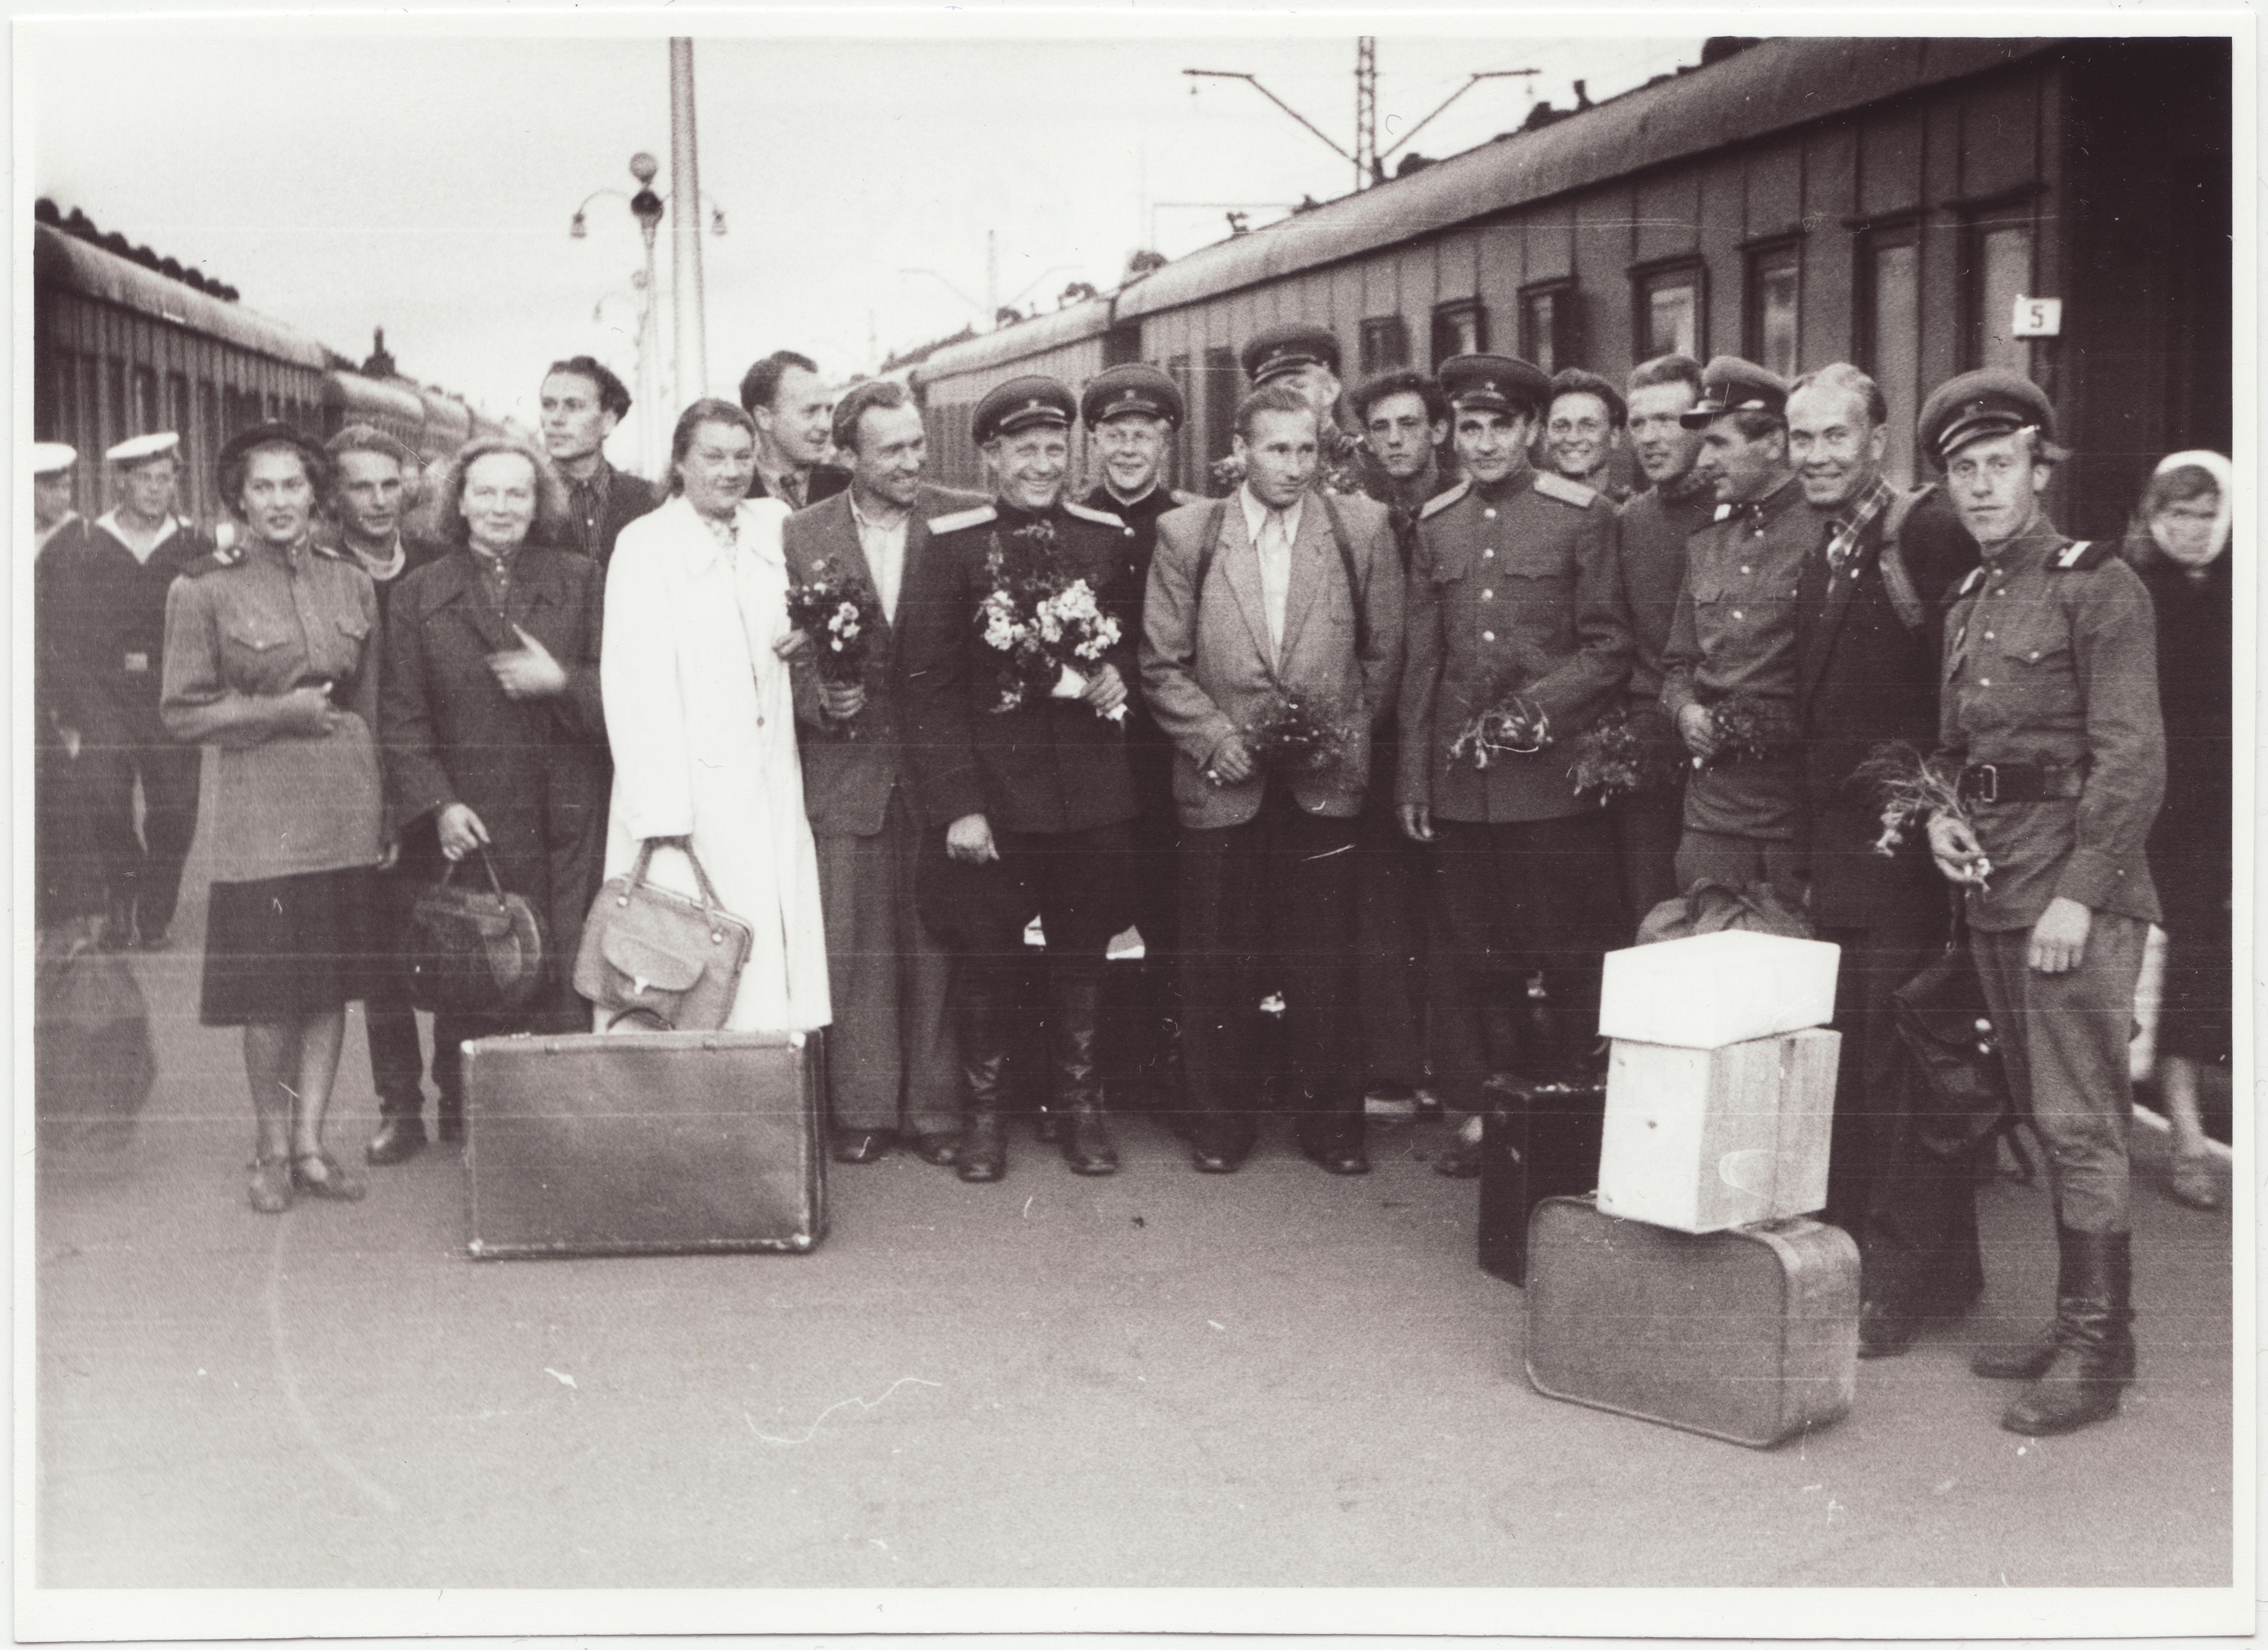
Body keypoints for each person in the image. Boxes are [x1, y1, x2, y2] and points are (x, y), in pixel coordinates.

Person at [1920, 369, 2164, 1437]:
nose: (1978, 486)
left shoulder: (2096, 584)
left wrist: (2078, 894)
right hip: (1991, 887)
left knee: (2078, 1125)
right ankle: (2082, 1319)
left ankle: (2094, 1350)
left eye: (1995, 464)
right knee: (2039, 1110)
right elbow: (1954, 750)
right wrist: (1937, 814)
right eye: (1959, 470)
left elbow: (2131, 762)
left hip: (2069, 892)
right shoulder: (1966, 599)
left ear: (2035, 468)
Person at [1142, 383, 1405, 1174]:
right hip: (1224, 780)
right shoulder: (1189, 532)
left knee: (1323, 953)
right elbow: (1161, 661)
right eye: (1277, 449)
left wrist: (1335, 736)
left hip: (1322, 779)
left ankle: (1331, 1124)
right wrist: (1214, 737)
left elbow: (1384, 654)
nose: (1295, 466)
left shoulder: (1361, 528)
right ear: (1240, 451)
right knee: (1218, 957)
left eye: (1307, 449)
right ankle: (1220, 1123)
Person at [1782, 363, 1982, 1354]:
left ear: (1875, 441)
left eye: (1835, 436)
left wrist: (1934, 801)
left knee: (1902, 1069)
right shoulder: (1832, 543)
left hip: (1906, 844)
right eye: (1802, 437)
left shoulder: (1924, 531)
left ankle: (1899, 1278)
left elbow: (1965, 677)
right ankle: (1941, 1264)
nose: (1816, 455)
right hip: (1851, 841)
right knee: (1872, 1060)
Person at [1398, 354, 1632, 1178]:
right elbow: (1423, 662)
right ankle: (1490, 1122)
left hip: (1551, 786)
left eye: (1502, 425)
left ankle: (1572, 1124)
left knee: (1568, 958)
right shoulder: (1437, 522)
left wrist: (1536, 712)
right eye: (1471, 426)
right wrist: (1415, 779)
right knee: (1477, 961)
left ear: (1531, 431)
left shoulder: (1583, 515)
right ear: (1453, 433)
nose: (1486, 441)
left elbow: (1609, 648)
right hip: (1464, 793)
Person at [901, 374, 1140, 1181]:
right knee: (987, 957)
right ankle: (985, 1119)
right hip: (995, 803)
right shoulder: (955, 544)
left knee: (1083, 956)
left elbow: (1138, 644)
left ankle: (1079, 1108)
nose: (1042, 465)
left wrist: (1114, 675)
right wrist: (959, 808)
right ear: (992, 456)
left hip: (1088, 795)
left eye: (1053, 448)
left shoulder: (1107, 536)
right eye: (1024, 449)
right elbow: (926, 687)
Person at [160, 423, 386, 1212]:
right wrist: (278, 711)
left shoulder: (349, 580)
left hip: (345, 812)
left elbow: (373, 702)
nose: (281, 501)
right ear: (239, 498)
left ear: (315, 493)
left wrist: (386, 809)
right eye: (264, 487)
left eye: (294, 485)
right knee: (270, 996)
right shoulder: (202, 590)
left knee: (328, 990)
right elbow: (182, 714)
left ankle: (312, 1146)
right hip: (263, 821)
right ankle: (269, 1150)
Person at [378, 435, 610, 1160]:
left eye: (518, 492)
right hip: (472, 816)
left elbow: (626, 690)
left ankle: (558, 1126)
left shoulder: (582, 578)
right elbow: (401, 714)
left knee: (562, 963)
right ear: (459, 501)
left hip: (569, 813)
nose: (501, 506)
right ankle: (468, 1112)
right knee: (477, 959)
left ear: (539, 502)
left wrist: (563, 683)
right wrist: (437, 804)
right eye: (486, 492)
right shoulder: (420, 592)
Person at [782, 379, 984, 1166]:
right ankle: (863, 1109)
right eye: (892, 449)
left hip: (942, 773)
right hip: (850, 768)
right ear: (847, 455)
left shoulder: (963, 516)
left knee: (938, 938)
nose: (913, 461)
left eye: (917, 444)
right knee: (857, 944)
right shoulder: (802, 533)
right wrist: (821, 698)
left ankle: (936, 1111)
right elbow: (779, 653)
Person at [600, 399, 831, 1035]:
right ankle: (692, 1118)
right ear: (679, 462)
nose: (730, 471)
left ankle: (771, 1104)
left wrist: (809, 635)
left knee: (767, 955)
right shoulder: (645, 544)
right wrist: (661, 814)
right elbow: (632, 684)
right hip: (689, 798)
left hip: (770, 777)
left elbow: (804, 619)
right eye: (712, 456)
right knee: (686, 961)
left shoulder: (774, 524)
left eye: (742, 455)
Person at [326, 425, 452, 1163]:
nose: (378, 501)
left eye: (388, 484)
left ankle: (464, 1098)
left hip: (445, 782)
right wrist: (376, 805)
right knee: (382, 957)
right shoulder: (322, 574)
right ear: (334, 496)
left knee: (464, 936)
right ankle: (400, 1106)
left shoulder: (437, 563)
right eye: (360, 487)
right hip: (366, 792)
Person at [1077, 363, 1201, 1118]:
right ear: (1094, 439)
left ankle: (1174, 1076)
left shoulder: (1193, 523)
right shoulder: (1066, 522)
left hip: (1167, 754)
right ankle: (1092, 1079)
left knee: (1173, 916)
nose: (1128, 449)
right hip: (1090, 755)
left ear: (1167, 442)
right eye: (1114, 434)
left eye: (1143, 434)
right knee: (1087, 915)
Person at [2125, 449, 2234, 1210]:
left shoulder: (2237, 592)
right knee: (2137, 966)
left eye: (2205, 514)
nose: (2193, 531)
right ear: (2151, 517)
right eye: (2177, 514)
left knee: (2191, 970)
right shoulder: (2133, 591)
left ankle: (2186, 1128)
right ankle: (2178, 1136)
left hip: (2213, 819)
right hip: (2145, 812)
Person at [1346, 367, 1456, 1115]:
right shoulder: (1353, 515)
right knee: (1381, 903)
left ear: (1436, 432)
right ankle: (1392, 1063)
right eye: (1380, 428)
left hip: (1448, 733)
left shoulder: (1457, 508)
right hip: (1376, 731)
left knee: (1448, 906)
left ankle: (1446, 1067)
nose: (1393, 441)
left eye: (1407, 426)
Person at [1659, 357, 1808, 906]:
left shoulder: (1823, 535)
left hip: (1793, 812)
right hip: (1711, 813)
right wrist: (1684, 712)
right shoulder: (1707, 543)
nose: (1705, 460)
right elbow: (1677, 664)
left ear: (1772, 443)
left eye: (1719, 444)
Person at [61, 431, 208, 951]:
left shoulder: (194, 544)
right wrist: (72, 707)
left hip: (171, 693)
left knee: (174, 808)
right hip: (105, 694)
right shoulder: (87, 545)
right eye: (144, 479)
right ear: (122, 483)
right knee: (103, 799)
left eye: (164, 478)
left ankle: (156, 912)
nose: (155, 489)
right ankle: (122, 903)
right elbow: (65, 628)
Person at [1607, 353, 1714, 927]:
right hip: (1651, 752)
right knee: (1650, 915)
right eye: (1637, 423)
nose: (1649, 437)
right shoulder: (1631, 521)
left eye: (1667, 420)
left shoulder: (1734, 509)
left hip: (1730, 750)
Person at [32, 442, 102, 932]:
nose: (61, 495)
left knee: (59, 805)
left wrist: (73, 716)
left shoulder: (77, 539)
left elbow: (79, 635)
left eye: (64, 485)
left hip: (54, 698)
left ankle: (65, 921)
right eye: (48, 486)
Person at [1214, 322, 1368, 497]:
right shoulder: (1247, 464)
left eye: (1297, 386)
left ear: (1330, 391)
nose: (1284, 400)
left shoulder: (1362, 461)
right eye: (1271, 392)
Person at [538, 355, 658, 570]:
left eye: (573, 406)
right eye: (548, 405)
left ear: (607, 421)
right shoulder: (523, 498)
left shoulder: (648, 500)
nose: (556, 419)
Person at [739, 350, 851, 509]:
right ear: (764, 418)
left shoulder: (850, 488)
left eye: (828, 410)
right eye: (810, 411)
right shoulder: (734, 492)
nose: (826, 425)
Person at [1543, 367, 1629, 503]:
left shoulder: (1632, 515)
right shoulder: (1525, 512)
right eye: (1561, 426)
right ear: (1546, 437)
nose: (1573, 438)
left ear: (1614, 436)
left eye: (1588, 426)